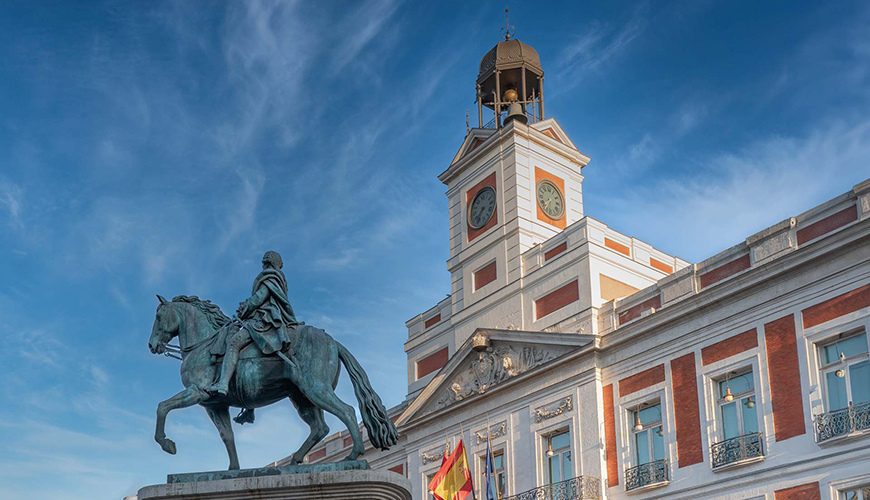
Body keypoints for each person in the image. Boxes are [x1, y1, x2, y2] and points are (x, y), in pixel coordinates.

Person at [206, 251, 297, 396]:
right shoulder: (278, 278)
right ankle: (249, 408)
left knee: (233, 343)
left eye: (264, 262)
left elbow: (258, 299)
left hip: (264, 320)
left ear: (268, 262)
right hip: (266, 319)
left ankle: (223, 383)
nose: (263, 265)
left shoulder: (269, 278)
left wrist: (245, 308)